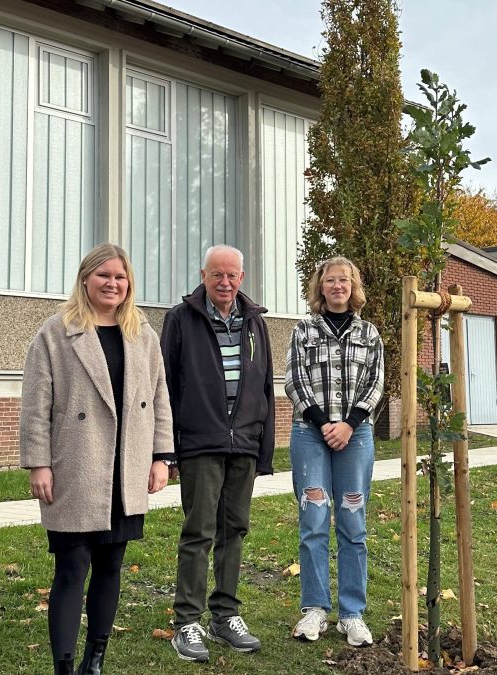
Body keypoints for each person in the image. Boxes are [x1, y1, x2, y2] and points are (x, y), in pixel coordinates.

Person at [20, 244, 174, 675]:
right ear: (86, 279)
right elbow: (35, 403)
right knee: (72, 567)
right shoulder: (56, 332)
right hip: (76, 465)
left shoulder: (142, 334)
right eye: (104, 275)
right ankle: (65, 666)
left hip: (126, 469)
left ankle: (96, 659)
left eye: (120, 277)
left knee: (111, 565)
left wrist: (161, 456)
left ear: (129, 284)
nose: (112, 284)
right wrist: (38, 462)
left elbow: (159, 397)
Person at [162, 244, 275, 663]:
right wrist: (167, 449)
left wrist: (263, 451)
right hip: (199, 443)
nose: (224, 283)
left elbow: (265, 386)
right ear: (203, 275)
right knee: (199, 531)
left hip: (243, 444)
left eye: (231, 276)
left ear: (242, 278)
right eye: (216, 275)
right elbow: (167, 387)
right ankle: (187, 621)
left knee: (235, 531)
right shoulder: (180, 319)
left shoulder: (254, 323)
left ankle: (225, 615)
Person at [284, 257, 384, 647]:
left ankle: (352, 613)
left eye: (344, 280)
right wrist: (323, 421)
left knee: (353, 523)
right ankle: (314, 608)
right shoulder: (303, 330)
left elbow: (376, 381)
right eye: (330, 280)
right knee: (313, 520)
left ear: (353, 286)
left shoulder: (369, 332)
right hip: (309, 433)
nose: (338, 285)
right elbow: (294, 378)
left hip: (355, 436)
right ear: (320, 287)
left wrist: (349, 423)